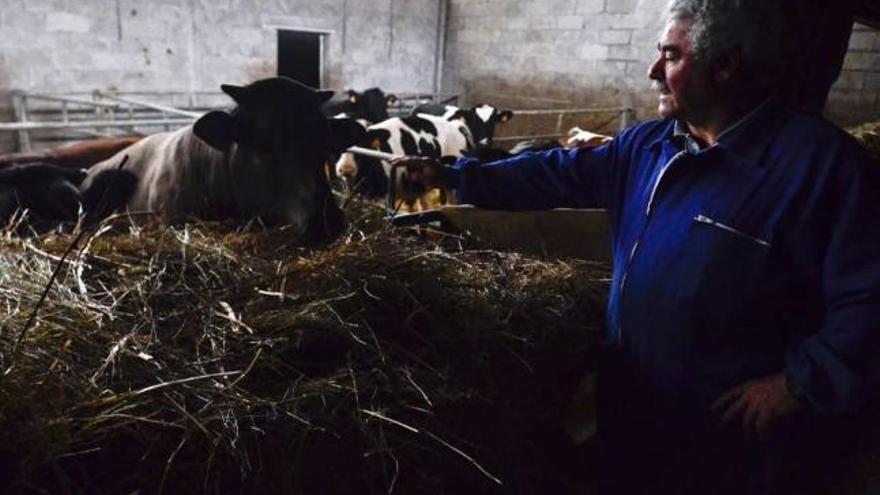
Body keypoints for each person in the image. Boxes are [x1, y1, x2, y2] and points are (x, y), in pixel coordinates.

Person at [396, 0, 880, 493]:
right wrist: (458, 177)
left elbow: (869, 297)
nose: (652, 71)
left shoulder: (820, 168)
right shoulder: (647, 147)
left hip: (732, 441)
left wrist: (801, 383)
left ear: (726, 66)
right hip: (635, 411)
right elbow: (555, 174)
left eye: (670, 56)